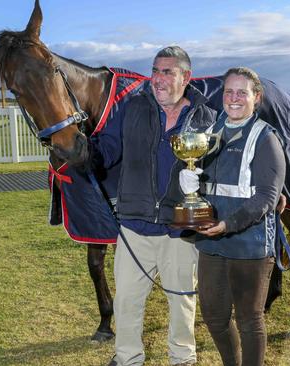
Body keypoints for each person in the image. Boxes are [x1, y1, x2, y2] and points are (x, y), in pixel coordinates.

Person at [108, 46, 216, 366]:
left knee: (182, 303)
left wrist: (202, 187)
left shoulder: (205, 116)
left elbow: (216, 167)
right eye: (155, 70)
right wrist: (80, 151)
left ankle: (182, 359)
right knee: (126, 301)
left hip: (178, 230)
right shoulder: (132, 107)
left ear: (186, 77)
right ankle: (127, 359)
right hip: (134, 226)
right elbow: (109, 149)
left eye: (167, 71)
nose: (158, 78)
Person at [179, 67, 285, 366]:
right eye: (228, 92)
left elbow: (267, 197)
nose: (234, 98)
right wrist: (187, 183)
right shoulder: (208, 135)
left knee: (249, 320)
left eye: (242, 92)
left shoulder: (266, 139)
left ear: (256, 98)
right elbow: (199, 179)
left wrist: (227, 224)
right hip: (212, 243)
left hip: (249, 245)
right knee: (214, 317)